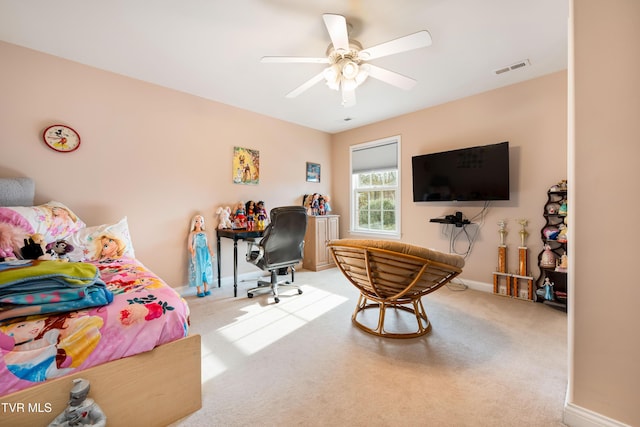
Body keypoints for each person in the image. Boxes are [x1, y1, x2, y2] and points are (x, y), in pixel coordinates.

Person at [188, 215, 214, 297]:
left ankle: (206, 288)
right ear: (194, 223)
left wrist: (211, 251)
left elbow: (208, 244)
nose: (199, 223)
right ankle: (199, 290)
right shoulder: (192, 234)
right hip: (197, 253)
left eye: (201, 221)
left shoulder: (205, 233)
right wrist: (192, 251)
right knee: (198, 270)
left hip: (205, 253)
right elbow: (189, 245)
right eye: (197, 221)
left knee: (206, 270)